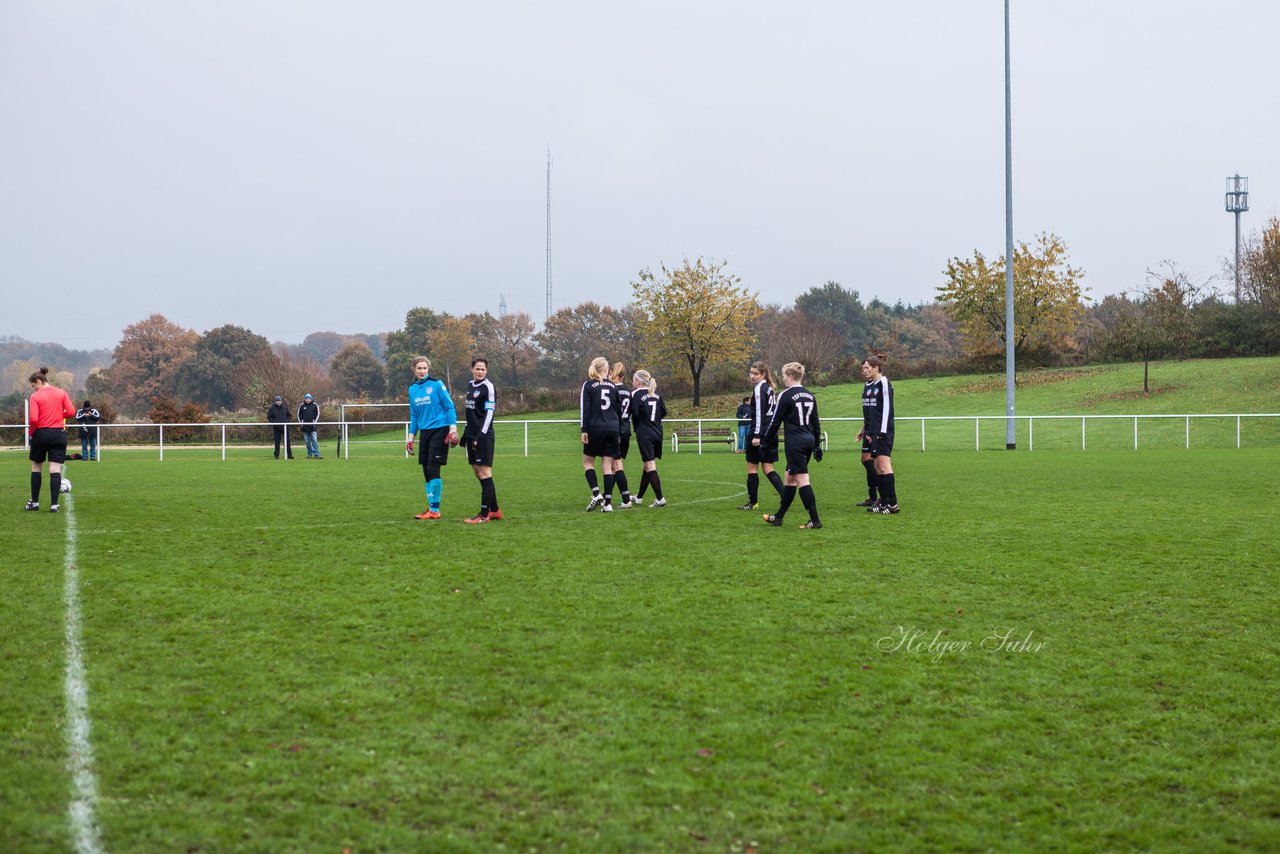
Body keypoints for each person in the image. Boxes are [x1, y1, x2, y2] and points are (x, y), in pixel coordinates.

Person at [758, 362, 823, 529]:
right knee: (789, 478)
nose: (783, 379)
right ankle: (778, 517)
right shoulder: (810, 395)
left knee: (802, 479)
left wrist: (764, 442)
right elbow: (815, 423)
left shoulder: (785, 395)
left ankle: (815, 520)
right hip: (808, 441)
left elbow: (775, 422)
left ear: (791, 376)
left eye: (784, 375)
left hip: (795, 443)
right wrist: (816, 445)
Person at [406, 356, 459, 520]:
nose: (422, 371)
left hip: (440, 430)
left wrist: (452, 429)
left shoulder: (437, 385)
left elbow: (449, 406)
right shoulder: (412, 389)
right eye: (419, 368)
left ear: (428, 369)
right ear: (414, 370)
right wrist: (410, 437)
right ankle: (431, 509)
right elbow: (414, 415)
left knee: (432, 468)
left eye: (425, 368)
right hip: (425, 433)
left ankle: (435, 510)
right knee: (425, 470)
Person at [25, 367, 76, 512]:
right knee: (55, 469)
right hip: (58, 434)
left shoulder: (35, 397)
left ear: (38, 381)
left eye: (34, 385)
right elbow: (72, 412)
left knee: (36, 468)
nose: (34, 389)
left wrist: (31, 432)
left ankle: (34, 503)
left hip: (41, 434)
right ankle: (54, 505)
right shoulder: (61, 392)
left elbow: (34, 418)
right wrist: (59, 415)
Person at [461, 358, 503, 524]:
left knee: (485, 474)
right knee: (478, 474)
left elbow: (489, 413)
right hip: (471, 435)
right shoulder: (470, 385)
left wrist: (480, 435)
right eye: (477, 369)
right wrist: (466, 434)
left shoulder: (488, 387)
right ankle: (495, 510)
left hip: (483, 437)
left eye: (483, 369)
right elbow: (470, 414)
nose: (480, 371)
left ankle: (484, 515)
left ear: (486, 371)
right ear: (472, 369)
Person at [856, 354, 899, 514]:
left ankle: (893, 504)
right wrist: (866, 430)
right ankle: (884, 502)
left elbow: (887, 409)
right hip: (873, 431)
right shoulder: (871, 385)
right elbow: (870, 412)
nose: (864, 371)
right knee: (877, 466)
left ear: (876, 368)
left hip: (883, 431)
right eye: (863, 368)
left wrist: (881, 431)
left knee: (884, 466)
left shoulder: (884, 383)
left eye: (867, 368)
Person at [739, 361, 785, 510]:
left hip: (759, 433)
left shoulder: (759, 389)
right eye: (751, 372)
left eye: (755, 373)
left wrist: (757, 435)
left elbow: (759, 414)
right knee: (768, 468)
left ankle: (753, 503)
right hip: (771, 433)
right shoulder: (770, 388)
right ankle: (786, 497)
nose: (752, 376)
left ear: (763, 374)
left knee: (752, 468)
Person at [580, 356, 620, 512]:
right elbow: (617, 410)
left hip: (596, 428)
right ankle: (608, 504)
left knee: (588, 463)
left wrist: (584, 429)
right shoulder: (613, 386)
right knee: (607, 467)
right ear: (605, 369)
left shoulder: (589, 385)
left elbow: (585, 409)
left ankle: (596, 494)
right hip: (612, 428)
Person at [630, 369, 668, 507]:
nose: (632, 382)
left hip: (644, 433)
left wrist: (642, 423)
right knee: (647, 465)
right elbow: (663, 412)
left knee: (650, 465)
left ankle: (660, 498)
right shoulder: (655, 394)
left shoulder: (636, 394)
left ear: (639, 382)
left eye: (633, 380)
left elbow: (634, 413)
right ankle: (639, 497)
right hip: (658, 432)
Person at [609, 361, 635, 508]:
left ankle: (626, 499)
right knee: (614, 465)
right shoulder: (629, 391)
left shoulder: (612, 389)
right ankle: (608, 497)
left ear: (613, 372)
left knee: (616, 465)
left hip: (615, 430)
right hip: (626, 429)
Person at [297, 393, 322, 459]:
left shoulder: (315, 405)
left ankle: (316, 454)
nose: (307, 400)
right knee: (307, 441)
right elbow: (298, 415)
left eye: (308, 398)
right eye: (306, 399)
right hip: (304, 427)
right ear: (304, 399)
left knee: (314, 440)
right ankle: (309, 453)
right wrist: (301, 423)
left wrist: (314, 423)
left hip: (312, 427)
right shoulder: (302, 406)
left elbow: (318, 414)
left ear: (311, 399)